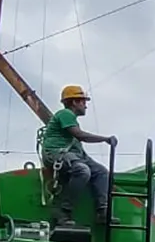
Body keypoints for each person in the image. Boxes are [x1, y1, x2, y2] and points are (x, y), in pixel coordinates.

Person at [40, 85, 118, 224]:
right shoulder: (65, 114)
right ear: (74, 102)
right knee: (82, 171)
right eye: (83, 101)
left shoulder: (70, 120)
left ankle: (102, 211)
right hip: (56, 153)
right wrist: (105, 139)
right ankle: (63, 211)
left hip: (73, 155)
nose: (85, 106)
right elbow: (80, 135)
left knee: (101, 172)